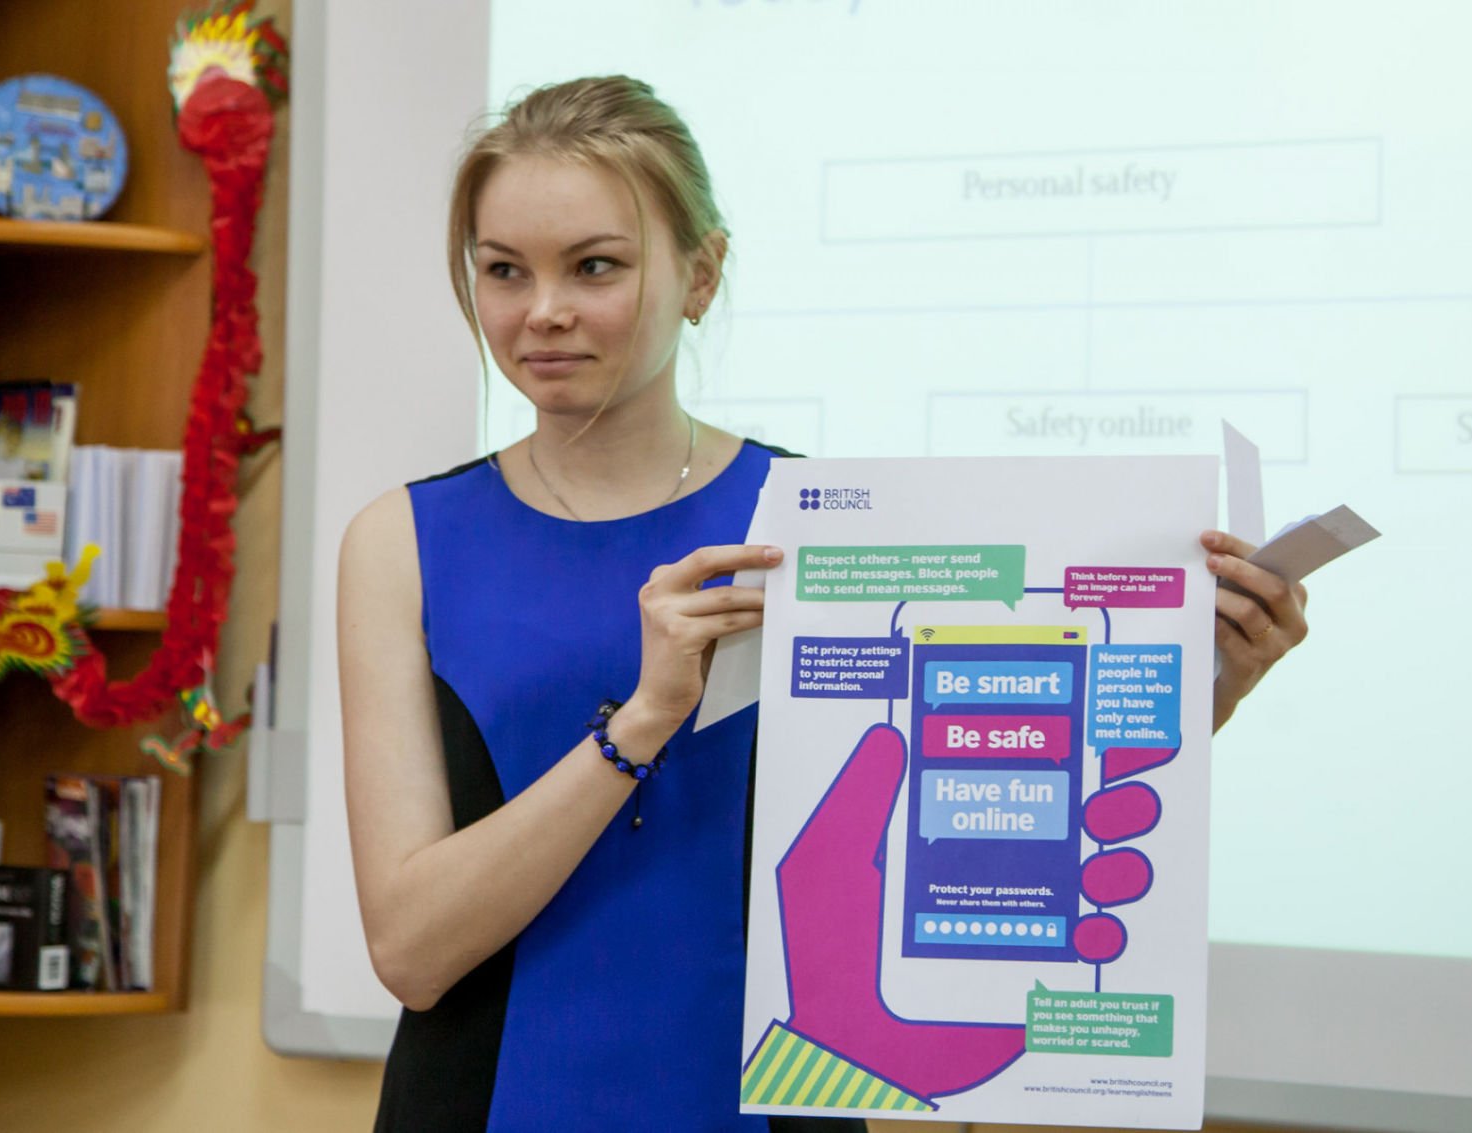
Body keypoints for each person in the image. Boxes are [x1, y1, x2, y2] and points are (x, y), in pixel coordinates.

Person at [338, 75, 1308, 1133]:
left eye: (595, 265)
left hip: (774, 1101)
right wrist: (643, 720)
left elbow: (989, 799)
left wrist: (1208, 681)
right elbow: (411, 952)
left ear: (701, 272)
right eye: (503, 270)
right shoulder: (402, 541)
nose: (543, 310)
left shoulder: (821, 524)